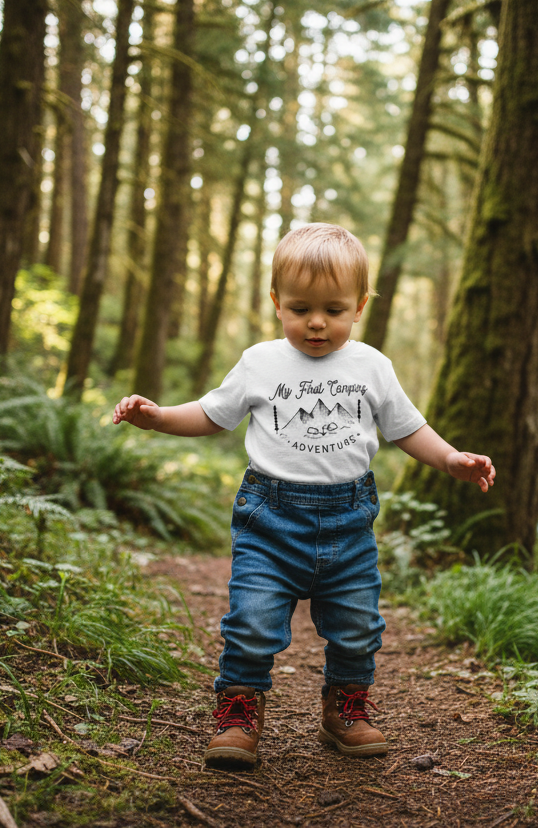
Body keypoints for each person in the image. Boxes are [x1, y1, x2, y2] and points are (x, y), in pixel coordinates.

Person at [113, 223, 496, 768]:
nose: (317, 323)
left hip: (349, 522)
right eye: (300, 308)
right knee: (252, 619)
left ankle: (345, 707)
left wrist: (452, 458)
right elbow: (209, 414)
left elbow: (408, 428)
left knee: (359, 625)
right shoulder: (260, 362)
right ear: (275, 302)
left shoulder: (372, 367)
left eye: (334, 310)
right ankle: (240, 709)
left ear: (359, 306)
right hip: (269, 520)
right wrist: (157, 418)